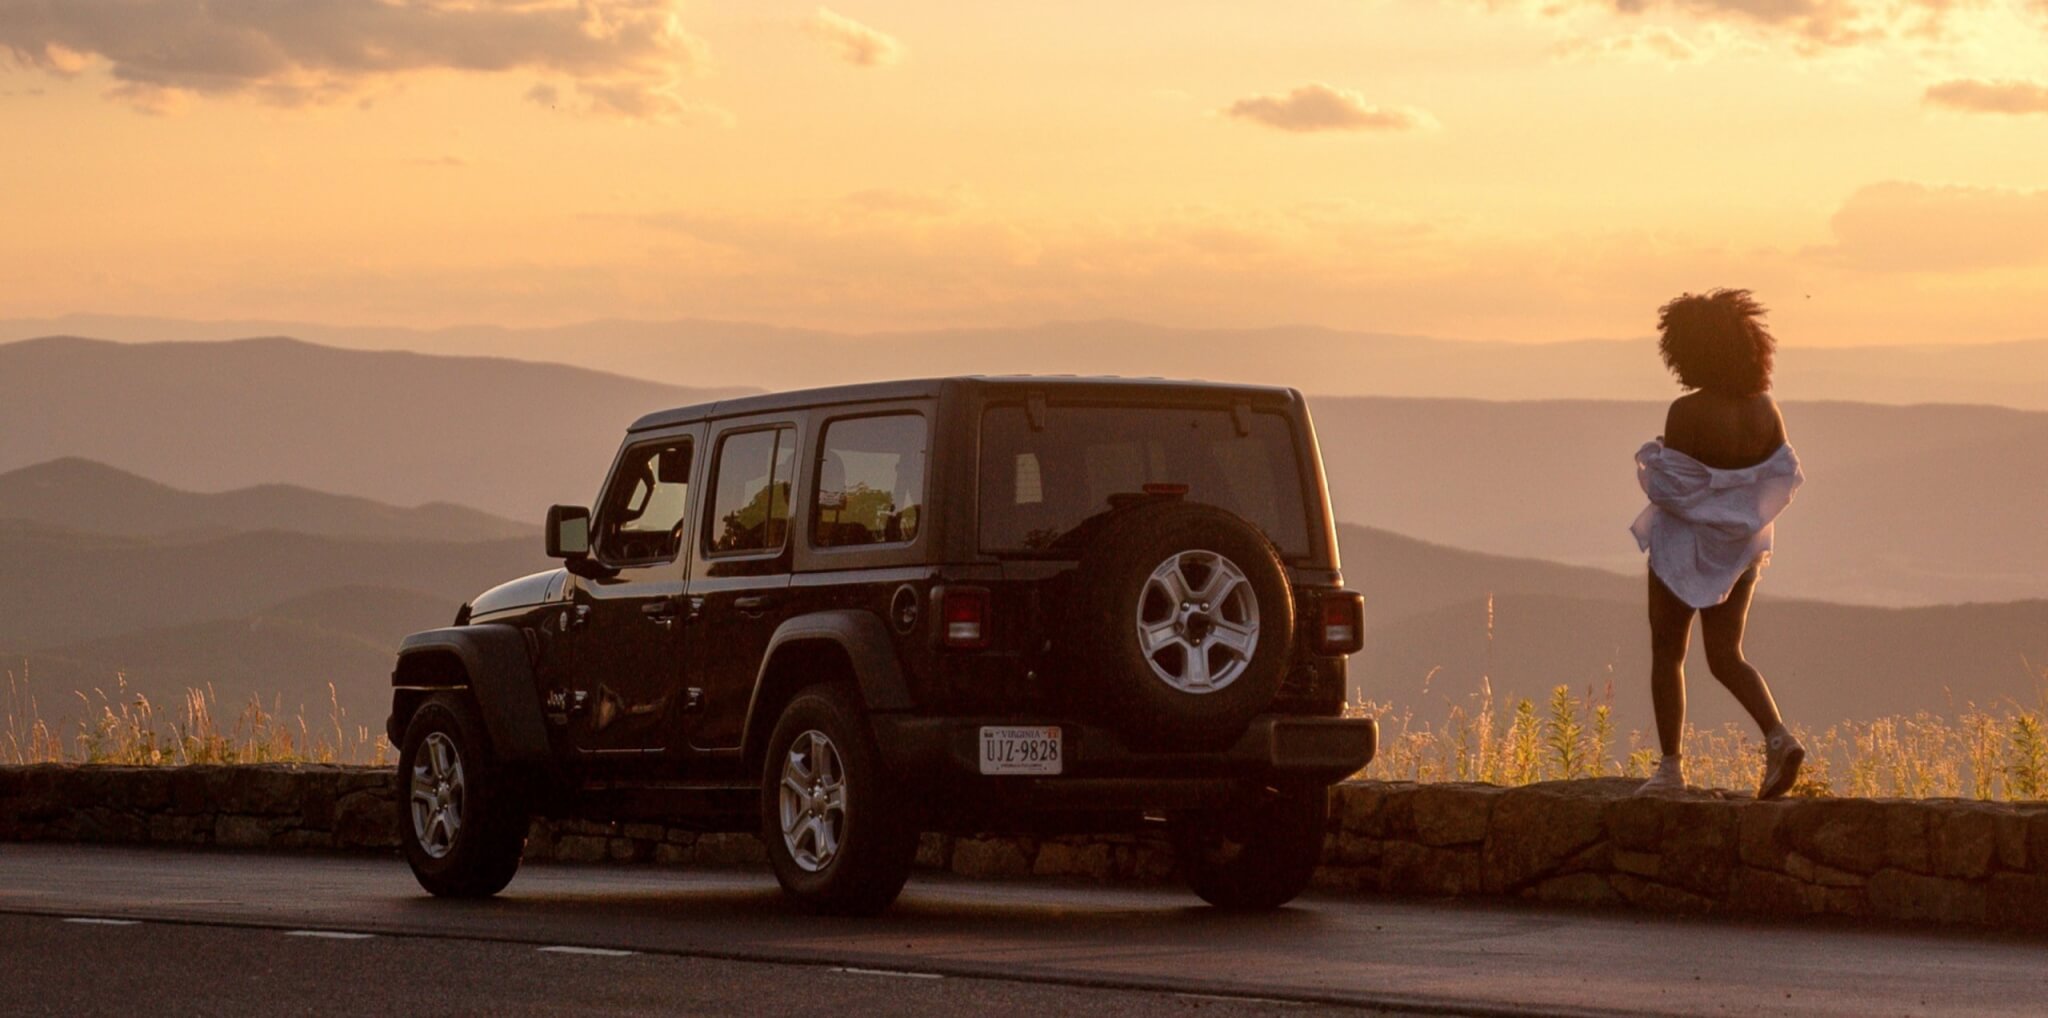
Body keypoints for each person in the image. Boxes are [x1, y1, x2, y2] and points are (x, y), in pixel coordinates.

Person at [1630, 289, 1806, 798]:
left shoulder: (1687, 412)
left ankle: (1670, 769)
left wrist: (1655, 455)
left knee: (1669, 653)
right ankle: (1778, 737)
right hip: (1739, 551)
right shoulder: (1765, 411)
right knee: (1727, 655)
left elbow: (1673, 488)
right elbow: (1782, 474)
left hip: (1682, 551)